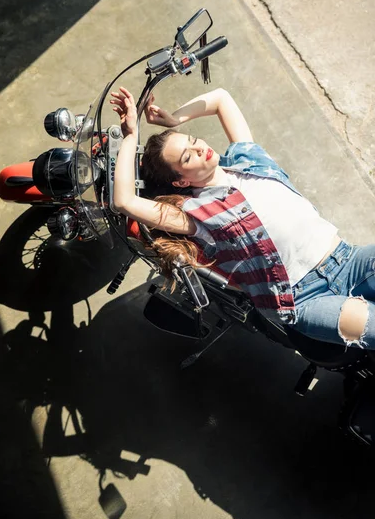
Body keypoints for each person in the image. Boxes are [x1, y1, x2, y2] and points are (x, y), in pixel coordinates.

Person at [110, 86, 375, 350]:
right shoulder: (196, 213)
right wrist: (131, 135)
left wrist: (174, 119)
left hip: (348, 258)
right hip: (306, 296)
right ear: (181, 181)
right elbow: (124, 201)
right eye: (188, 156)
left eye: (193, 140)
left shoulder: (246, 160)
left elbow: (221, 99)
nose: (200, 148)